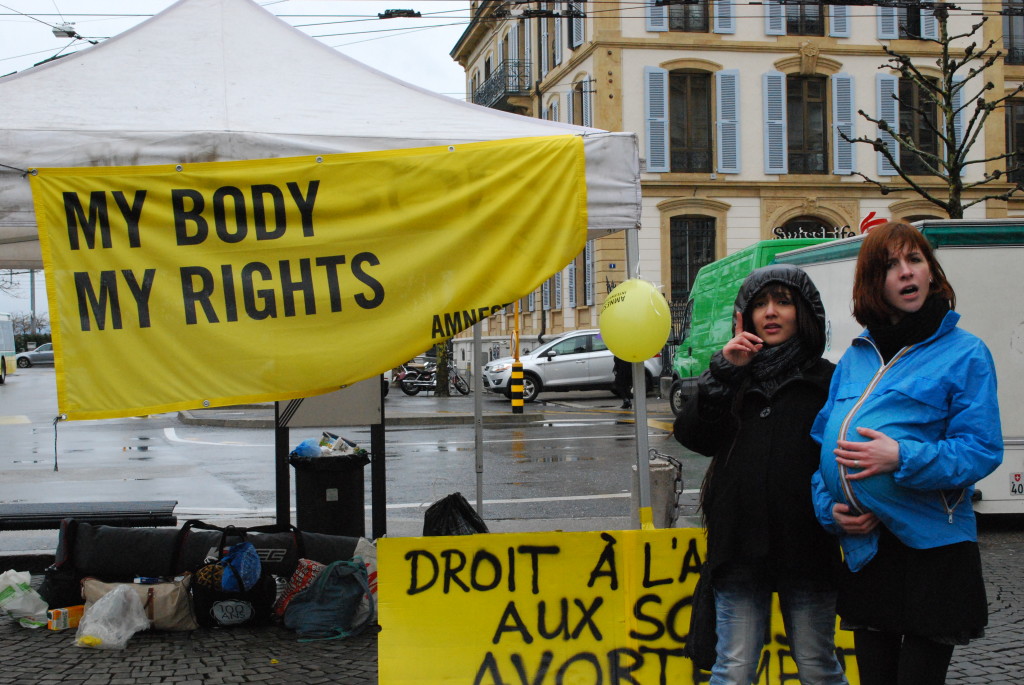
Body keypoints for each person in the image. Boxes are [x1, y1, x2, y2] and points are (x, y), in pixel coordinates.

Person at [810, 221, 1003, 685]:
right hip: (869, 550)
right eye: (890, 265)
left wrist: (903, 458)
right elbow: (821, 449)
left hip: (932, 550)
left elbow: (980, 450)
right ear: (872, 282)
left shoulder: (966, 353)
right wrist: (832, 511)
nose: (905, 272)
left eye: (914, 260)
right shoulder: (855, 357)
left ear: (931, 273)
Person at [674, 264, 848, 685]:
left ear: (804, 312)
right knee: (734, 669)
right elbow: (694, 435)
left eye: (783, 302)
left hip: (808, 545)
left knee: (817, 666)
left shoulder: (827, 378)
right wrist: (724, 372)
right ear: (744, 316)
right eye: (759, 304)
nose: (770, 312)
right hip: (738, 548)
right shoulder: (733, 374)